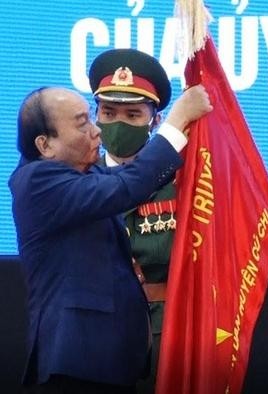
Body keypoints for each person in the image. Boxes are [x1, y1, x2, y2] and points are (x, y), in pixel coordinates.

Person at [11, 84, 211, 394]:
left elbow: (127, 178)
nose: (97, 132)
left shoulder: (82, 175)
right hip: (78, 362)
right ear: (45, 144)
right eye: (82, 124)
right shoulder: (37, 181)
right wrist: (178, 118)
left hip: (108, 362)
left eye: (91, 118)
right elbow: (127, 187)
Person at [88, 48, 176, 393]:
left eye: (133, 114)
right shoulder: (76, 180)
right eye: (108, 112)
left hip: (167, 334)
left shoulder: (183, 181)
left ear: (155, 119)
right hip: (97, 336)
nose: (118, 123)